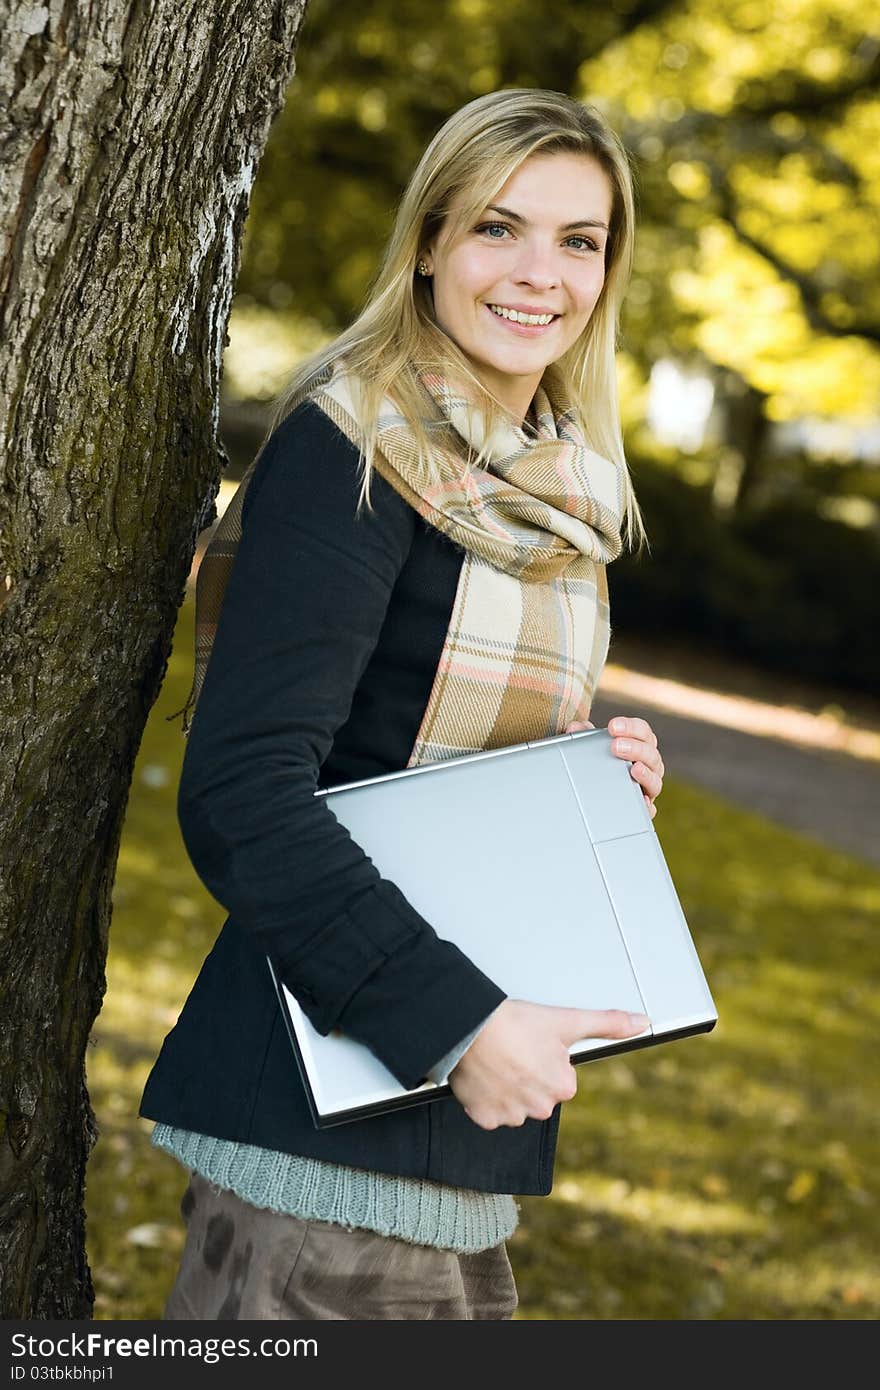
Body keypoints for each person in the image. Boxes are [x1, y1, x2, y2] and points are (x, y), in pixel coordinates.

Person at [140, 86, 666, 1321]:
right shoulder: (357, 450)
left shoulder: (554, 484)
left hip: (448, 1144)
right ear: (427, 243)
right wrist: (453, 1023)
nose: (542, 273)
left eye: (579, 241)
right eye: (498, 228)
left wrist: (580, 778)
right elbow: (243, 794)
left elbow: (413, 742)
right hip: (329, 1130)